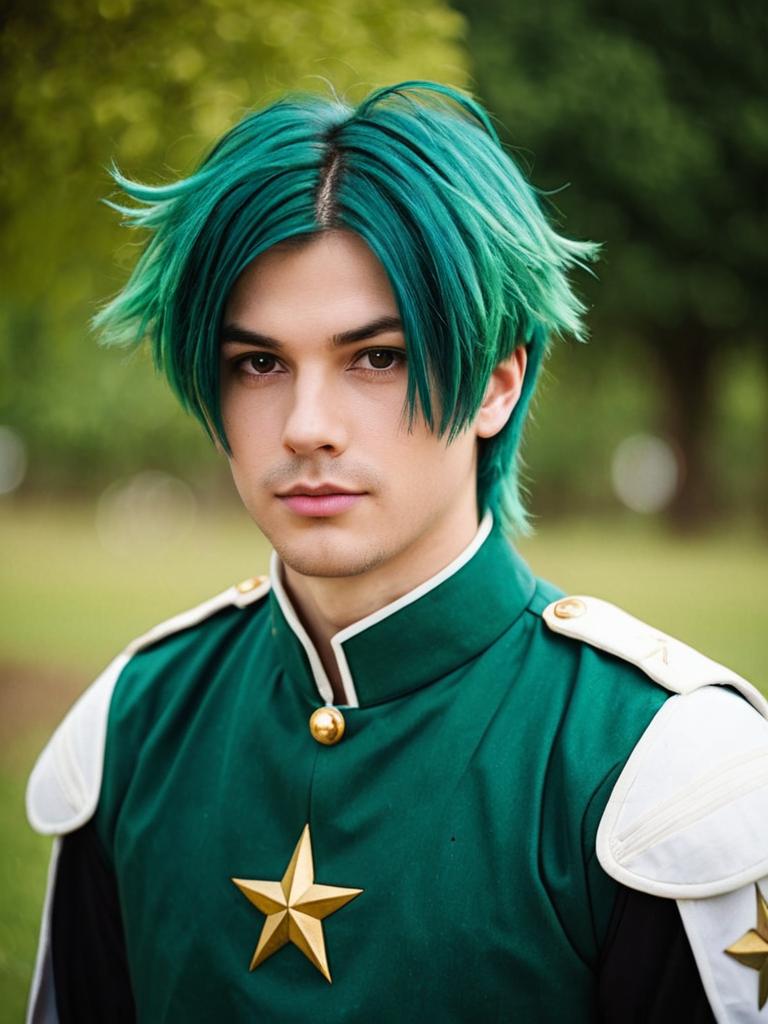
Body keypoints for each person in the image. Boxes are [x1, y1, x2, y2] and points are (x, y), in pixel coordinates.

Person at [25, 81, 768, 1023]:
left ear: (498, 382)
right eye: (258, 363)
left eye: (377, 356)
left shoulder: (664, 766)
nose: (306, 426)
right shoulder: (136, 724)